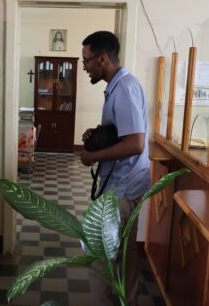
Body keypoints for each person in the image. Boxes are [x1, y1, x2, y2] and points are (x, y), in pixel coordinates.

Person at [80, 31, 151, 305]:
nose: (84, 67)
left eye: (87, 61)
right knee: (125, 255)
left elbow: (135, 143)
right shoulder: (117, 87)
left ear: (103, 58)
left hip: (125, 185)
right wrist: (97, 135)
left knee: (100, 255)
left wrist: (93, 157)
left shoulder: (125, 88)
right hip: (122, 183)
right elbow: (121, 133)